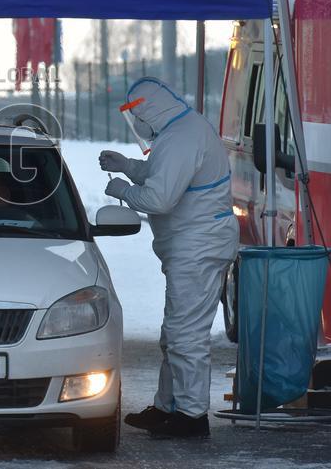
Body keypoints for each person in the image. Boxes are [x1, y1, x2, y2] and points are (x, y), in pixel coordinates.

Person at [100, 77, 238, 439]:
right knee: (174, 333)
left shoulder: (181, 137)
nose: (138, 125)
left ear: (146, 110)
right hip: (194, 246)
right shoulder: (180, 130)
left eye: (136, 115)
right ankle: (168, 406)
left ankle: (191, 417)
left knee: (185, 335)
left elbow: (160, 198)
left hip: (198, 248)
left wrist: (124, 190)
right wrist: (129, 165)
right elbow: (165, 172)